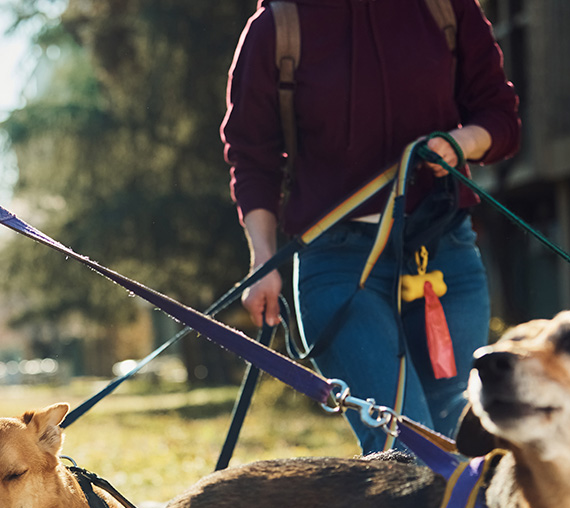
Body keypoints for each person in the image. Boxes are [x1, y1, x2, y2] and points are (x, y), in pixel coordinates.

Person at [221, 0, 520, 455]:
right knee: (411, 453)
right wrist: (262, 259)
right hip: (336, 265)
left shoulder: (446, 7)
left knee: (467, 447)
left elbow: (500, 117)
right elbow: (251, 157)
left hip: (444, 255)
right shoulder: (277, 26)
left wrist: (461, 142)